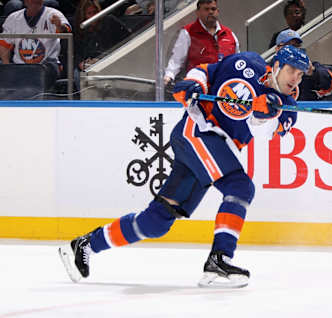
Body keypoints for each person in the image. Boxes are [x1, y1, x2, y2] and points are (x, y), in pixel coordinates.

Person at [58, 45, 310, 288]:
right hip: (196, 131)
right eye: (291, 71)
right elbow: (205, 70)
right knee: (240, 187)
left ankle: (86, 244)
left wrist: (264, 115)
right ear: (276, 65)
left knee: (156, 222)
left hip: (215, 150)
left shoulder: (287, 109)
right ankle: (220, 258)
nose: (295, 79)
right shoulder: (246, 63)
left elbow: (264, 132)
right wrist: (193, 85)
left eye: (300, 75)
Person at [163, 0, 239, 86]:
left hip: (225, 89)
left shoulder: (229, 34)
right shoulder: (187, 32)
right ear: (197, 12)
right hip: (198, 89)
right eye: (206, 9)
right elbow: (176, 60)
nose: (210, 12)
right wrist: (168, 76)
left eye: (213, 9)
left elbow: (238, 60)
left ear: (218, 11)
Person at [0, 0, 71, 90]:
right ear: (25, 2)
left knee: (34, 80)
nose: (34, 2)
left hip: (47, 65)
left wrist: (59, 25)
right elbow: (4, 44)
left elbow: (65, 32)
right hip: (20, 66)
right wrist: (7, 65)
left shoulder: (53, 14)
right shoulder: (14, 18)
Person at [73, 0, 131, 79]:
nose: (93, 16)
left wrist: (100, 59)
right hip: (89, 64)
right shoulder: (81, 29)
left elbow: (127, 40)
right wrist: (81, 63)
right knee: (77, 74)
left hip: (110, 61)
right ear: (84, 16)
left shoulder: (109, 21)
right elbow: (77, 52)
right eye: (89, 13)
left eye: (95, 12)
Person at [275, 29, 332, 101]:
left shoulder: (311, 67)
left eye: (296, 46)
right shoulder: (267, 69)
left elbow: (331, 85)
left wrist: (312, 71)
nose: (292, 49)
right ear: (277, 49)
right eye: (287, 46)